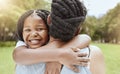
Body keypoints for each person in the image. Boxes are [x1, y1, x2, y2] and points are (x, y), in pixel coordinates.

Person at [13, 9, 91, 74]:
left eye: (40, 29)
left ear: (50, 30)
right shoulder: (23, 45)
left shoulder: (56, 43)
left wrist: (59, 57)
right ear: (21, 32)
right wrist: (58, 56)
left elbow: (85, 38)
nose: (33, 34)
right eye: (27, 30)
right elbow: (18, 56)